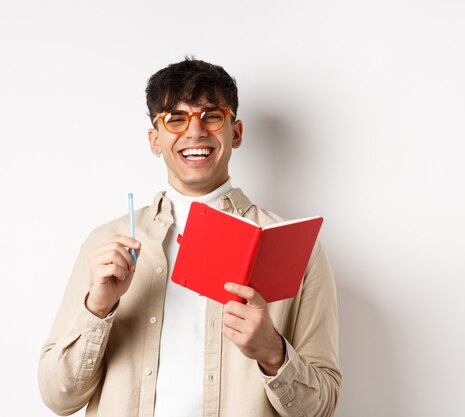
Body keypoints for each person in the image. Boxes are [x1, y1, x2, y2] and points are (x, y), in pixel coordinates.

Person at [38, 58, 341, 417]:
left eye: (211, 116)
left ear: (236, 132)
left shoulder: (294, 247)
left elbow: (322, 407)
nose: (194, 132)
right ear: (155, 139)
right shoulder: (108, 242)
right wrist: (98, 307)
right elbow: (59, 398)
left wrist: (272, 353)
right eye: (175, 119)